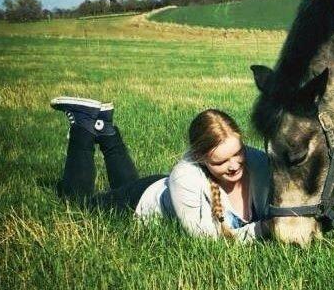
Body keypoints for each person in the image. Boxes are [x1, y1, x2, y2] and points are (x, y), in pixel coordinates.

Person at [51, 97, 271, 242]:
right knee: (77, 204)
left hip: (157, 188)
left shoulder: (260, 163)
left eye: (238, 153)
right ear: (199, 158)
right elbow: (206, 240)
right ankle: (82, 123)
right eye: (221, 162)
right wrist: (264, 229)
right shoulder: (185, 177)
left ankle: (105, 128)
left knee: (124, 184)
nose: (234, 165)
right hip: (136, 203)